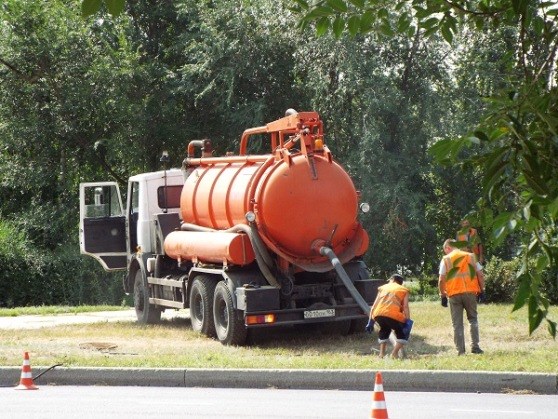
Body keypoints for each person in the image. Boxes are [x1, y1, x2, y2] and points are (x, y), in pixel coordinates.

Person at [438, 239, 485, 355]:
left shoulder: (446, 259)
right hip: (470, 292)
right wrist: (482, 290)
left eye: (445, 250)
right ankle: (475, 347)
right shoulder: (471, 256)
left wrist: (442, 295)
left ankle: (460, 351)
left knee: (457, 324)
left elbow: (441, 279)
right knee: (473, 319)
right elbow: (480, 274)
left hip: (454, 294)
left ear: (447, 248)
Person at [365, 274, 410, 358]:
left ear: (392, 280)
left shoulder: (382, 288)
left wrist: (370, 322)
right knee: (402, 334)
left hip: (378, 314)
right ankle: (394, 353)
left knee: (384, 330)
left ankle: (381, 354)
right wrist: (408, 321)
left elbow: (374, 305)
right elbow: (405, 307)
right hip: (393, 315)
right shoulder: (404, 290)